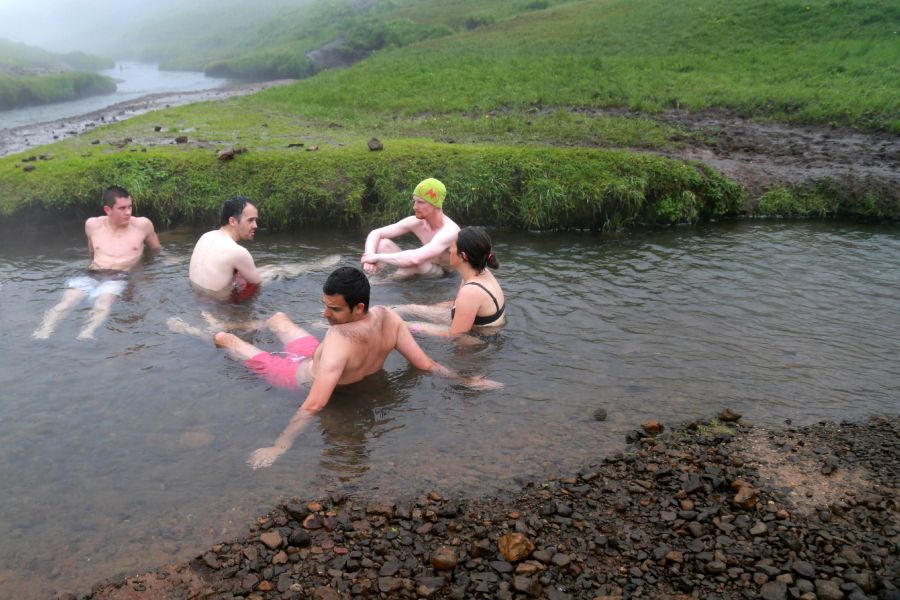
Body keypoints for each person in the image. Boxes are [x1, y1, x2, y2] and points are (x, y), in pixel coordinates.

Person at [167, 267, 502, 469]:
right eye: (324, 306)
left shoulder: (340, 340)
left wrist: (280, 445)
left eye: (334, 309)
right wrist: (465, 379)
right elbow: (425, 365)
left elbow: (314, 403)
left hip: (291, 375)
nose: (325, 314)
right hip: (315, 356)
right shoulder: (388, 317)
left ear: (359, 307)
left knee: (225, 339)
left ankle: (193, 330)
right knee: (278, 318)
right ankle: (236, 324)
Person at [32, 186, 161, 340]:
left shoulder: (142, 225)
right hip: (93, 272)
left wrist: (145, 273)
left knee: (103, 303)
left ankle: (86, 333)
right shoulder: (93, 225)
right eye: (122, 208)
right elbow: (92, 254)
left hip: (119, 275)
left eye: (130, 207)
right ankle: (43, 331)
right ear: (108, 209)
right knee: (66, 302)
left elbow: (156, 250)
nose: (128, 212)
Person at [188, 196, 339, 301]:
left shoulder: (206, 236)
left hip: (198, 297)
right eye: (250, 220)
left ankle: (310, 266)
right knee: (275, 271)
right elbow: (256, 284)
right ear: (233, 221)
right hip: (221, 306)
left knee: (266, 269)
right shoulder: (237, 252)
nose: (255, 226)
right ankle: (313, 267)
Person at [394, 226, 506, 337]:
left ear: (462, 256)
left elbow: (455, 335)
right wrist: (431, 309)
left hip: (479, 340)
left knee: (403, 326)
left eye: (452, 247)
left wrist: (409, 326)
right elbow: (459, 305)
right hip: (474, 325)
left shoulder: (471, 290)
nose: (449, 250)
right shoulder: (479, 270)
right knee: (408, 308)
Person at [361, 178, 460, 279]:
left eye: (420, 202)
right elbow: (376, 233)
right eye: (415, 201)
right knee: (383, 243)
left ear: (435, 205)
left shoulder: (449, 231)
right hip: (424, 263)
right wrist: (369, 256)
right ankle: (373, 274)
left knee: (416, 264)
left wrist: (375, 257)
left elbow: (415, 259)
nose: (414, 207)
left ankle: (379, 285)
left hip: (444, 275)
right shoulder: (416, 222)